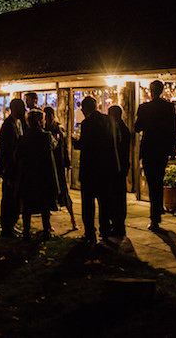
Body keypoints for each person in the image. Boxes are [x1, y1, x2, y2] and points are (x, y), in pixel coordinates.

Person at [73, 95, 120, 243]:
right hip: (105, 169)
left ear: (85, 108)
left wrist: (75, 143)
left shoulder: (87, 123)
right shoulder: (108, 120)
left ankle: (90, 231)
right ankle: (105, 230)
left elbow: (85, 145)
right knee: (104, 201)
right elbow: (116, 140)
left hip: (90, 169)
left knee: (88, 203)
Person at [134, 80, 176, 232]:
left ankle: (155, 216)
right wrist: (173, 149)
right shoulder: (168, 107)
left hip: (149, 148)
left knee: (152, 182)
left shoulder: (144, 108)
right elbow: (173, 130)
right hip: (162, 149)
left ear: (151, 90)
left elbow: (137, 127)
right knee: (158, 180)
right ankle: (157, 211)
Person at [16, 109, 60, 240]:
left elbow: (18, 155)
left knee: (28, 205)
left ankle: (26, 231)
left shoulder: (24, 138)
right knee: (44, 204)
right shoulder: (46, 136)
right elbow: (55, 145)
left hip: (29, 174)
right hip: (44, 174)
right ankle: (46, 230)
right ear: (41, 121)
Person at [44, 105, 78, 231]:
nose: (47, 119)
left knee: (64, 193)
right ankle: (47, 224)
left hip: (58, 165)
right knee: (48, 194)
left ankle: (73, 220)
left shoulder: (58, 129)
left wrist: (67, 163)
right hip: (48, 165)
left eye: (49, 116)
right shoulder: (45, 129)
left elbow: (63, 148)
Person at [0, 98, 25, 237]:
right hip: (10, 167)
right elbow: (7, 150)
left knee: (14, 198)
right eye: (22, 108)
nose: (24, 111)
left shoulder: (17, 123)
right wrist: (6, 169)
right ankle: (7, 227)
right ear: (15, 109)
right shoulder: (8, 125)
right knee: (8, 197)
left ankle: (11, 224)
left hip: (15, 167)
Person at [108, 104, 131, 237]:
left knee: (117, 197)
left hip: (117, 167)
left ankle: (118, 225)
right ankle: (117, 224)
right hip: (120, 166)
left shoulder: (119, 130)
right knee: (118, 196)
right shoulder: (123, 128)